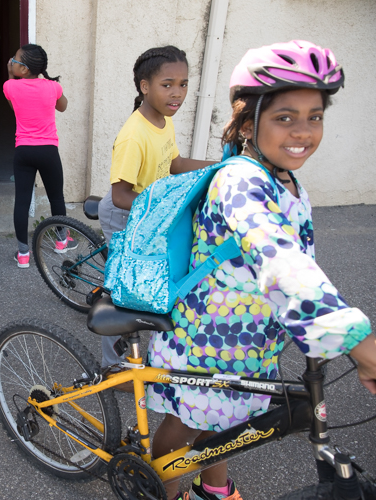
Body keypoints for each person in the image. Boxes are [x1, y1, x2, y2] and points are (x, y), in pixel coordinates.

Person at [148, 41, 376, 500]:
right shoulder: (241, 180)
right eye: (285, 117)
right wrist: (358, 341)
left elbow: (296, 254)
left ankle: (214, 487)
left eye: (316, 116)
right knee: (187, 427)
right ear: (249, 121)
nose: (304, 131)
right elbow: (278, 258)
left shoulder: (282, 176)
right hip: (208, 341)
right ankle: (161, 491)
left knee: (223, 424)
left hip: (249, 339)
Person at [98, 46, 213, 379]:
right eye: (167, 84)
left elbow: (174, 164)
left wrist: (218, 166)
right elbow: (121, 195)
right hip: (125, 216)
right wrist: (164, 207)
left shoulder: (163, 120)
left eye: (183, 83)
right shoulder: (135, 135)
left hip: (151, 216)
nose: (177, 92)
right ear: (144, 87)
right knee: (123, 294)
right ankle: (113, 366)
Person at [3, 44, 70, 268]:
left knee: (21, 201)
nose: (12, 61)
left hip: (24, 151)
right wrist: (53, 93)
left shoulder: (9, 86)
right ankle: (61, 241)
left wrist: (9, 74)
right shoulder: (53, 87)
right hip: (48, 151)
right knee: (56, 197)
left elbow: (14, 108)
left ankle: (23, 254)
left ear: (24, 69)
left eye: (15, 59)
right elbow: (63, 107)